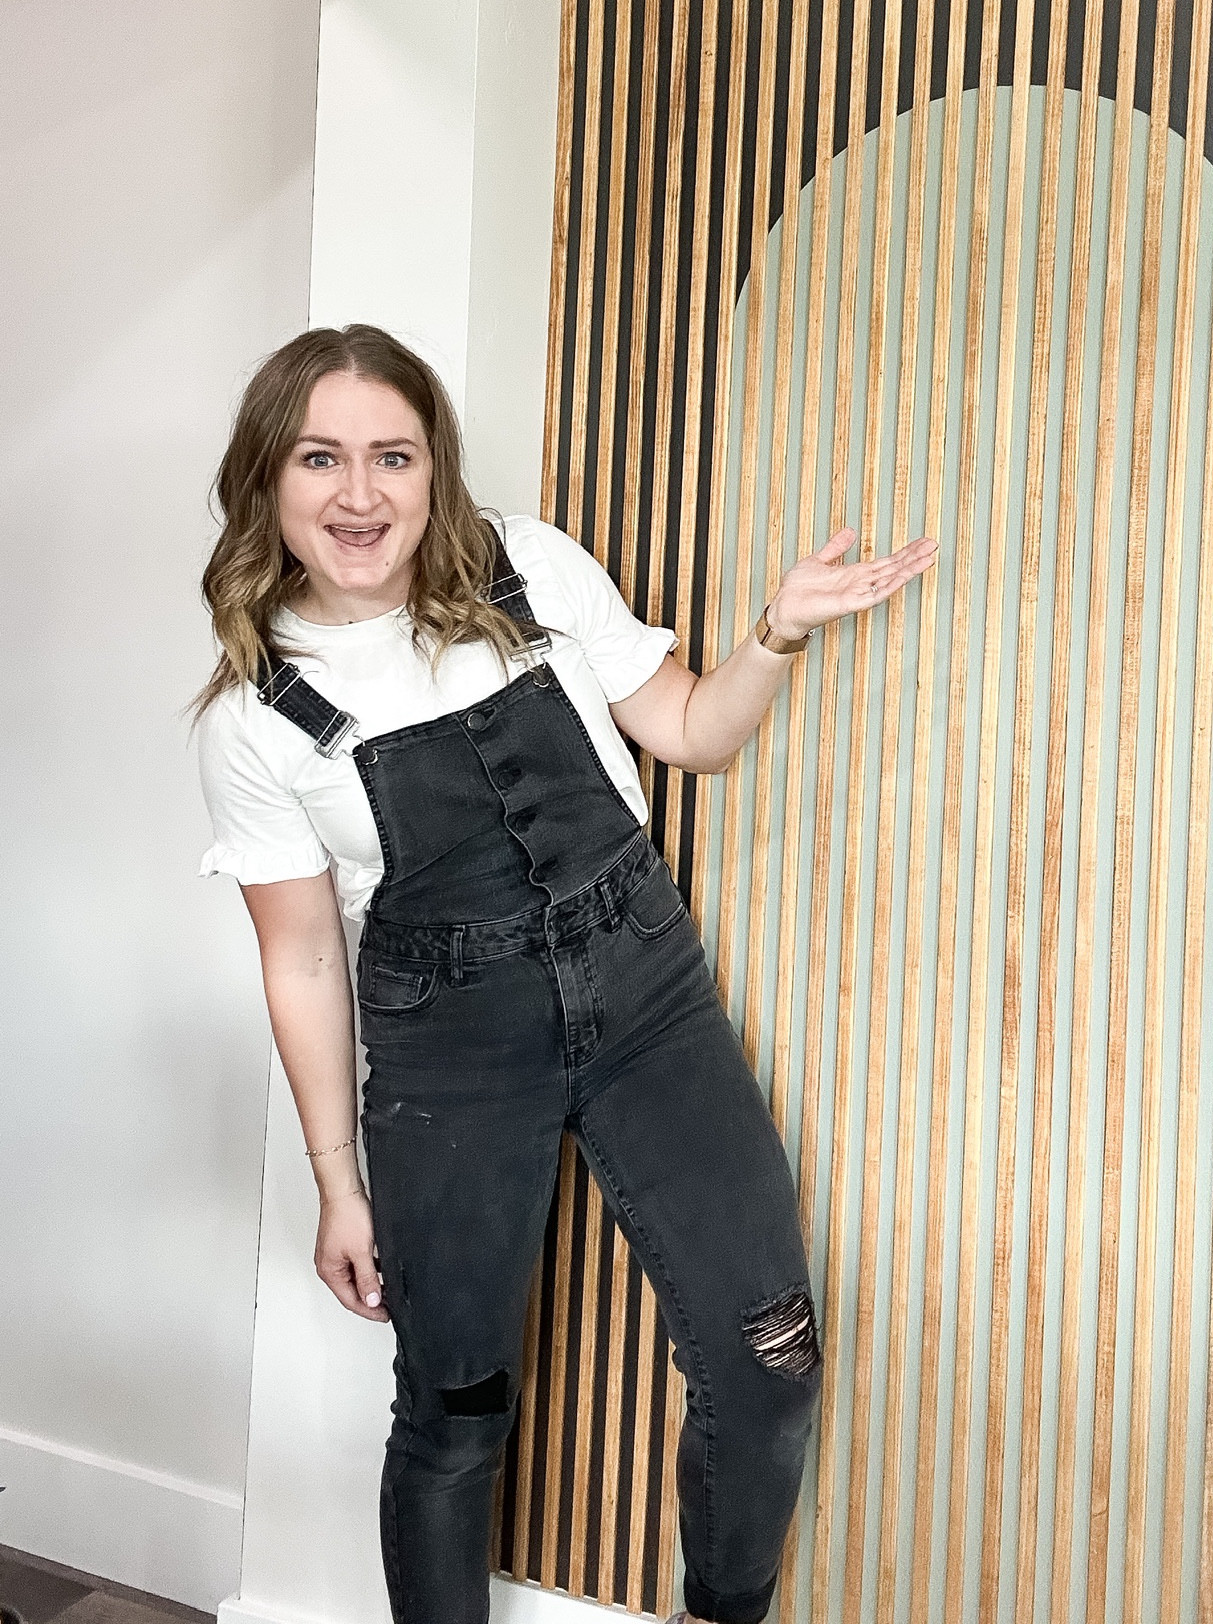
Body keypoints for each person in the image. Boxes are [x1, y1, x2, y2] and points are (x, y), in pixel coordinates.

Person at [194, 324, 937, 1624]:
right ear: (268, 477)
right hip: (448, 1052)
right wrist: (336, 1184)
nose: (360, 495)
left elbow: (693, 734)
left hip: (645, 996)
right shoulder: (257, 717)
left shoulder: (525, 568)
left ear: (436, 471)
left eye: (393, 456)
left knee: (772, 1353)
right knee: (454, 1403)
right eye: (321, 458)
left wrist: (778, 630)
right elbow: (303, 957)